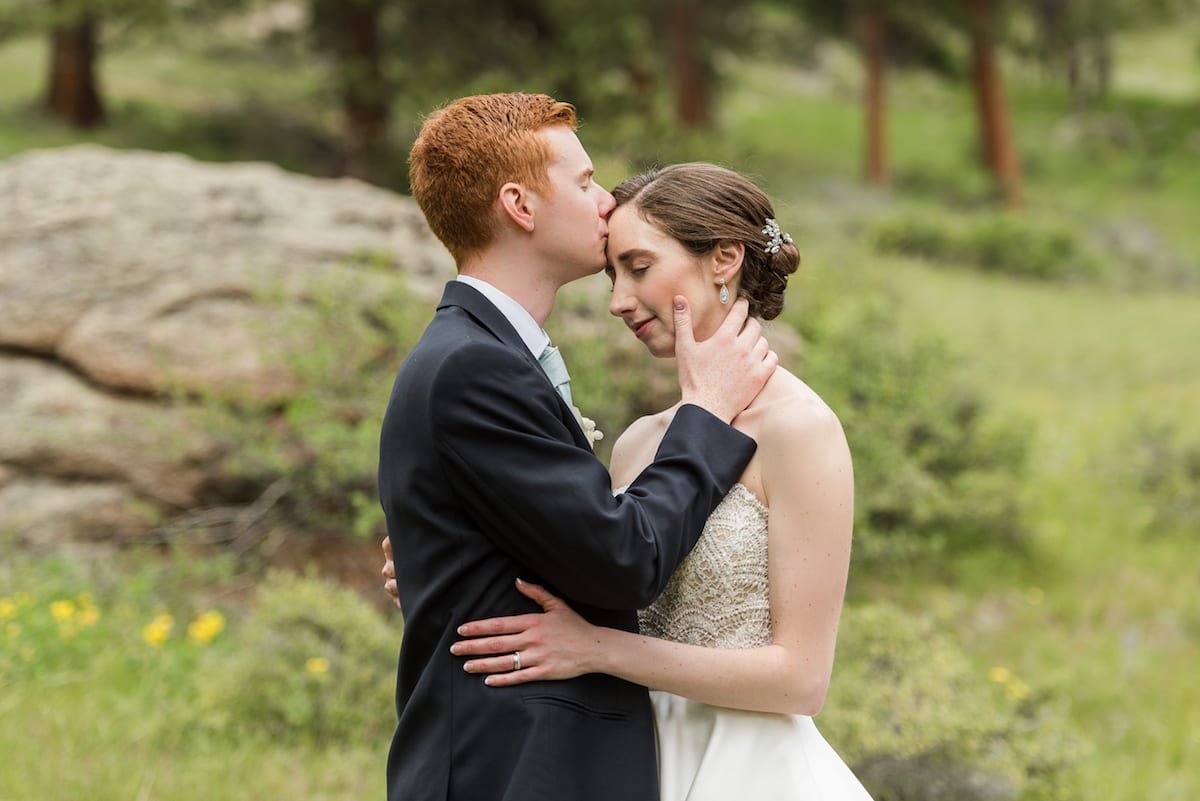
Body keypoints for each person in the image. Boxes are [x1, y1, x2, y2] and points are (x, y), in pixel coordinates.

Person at [386, 163, 873, 800]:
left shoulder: (800, 430)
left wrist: (599, 650)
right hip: (628, 757)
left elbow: (801, 680)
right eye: (613, 276)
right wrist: (447, 554)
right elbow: (603, 565)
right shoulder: (642, 442)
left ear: (724, 259)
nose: (618, 300)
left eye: (639, 268)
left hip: (747, 767)